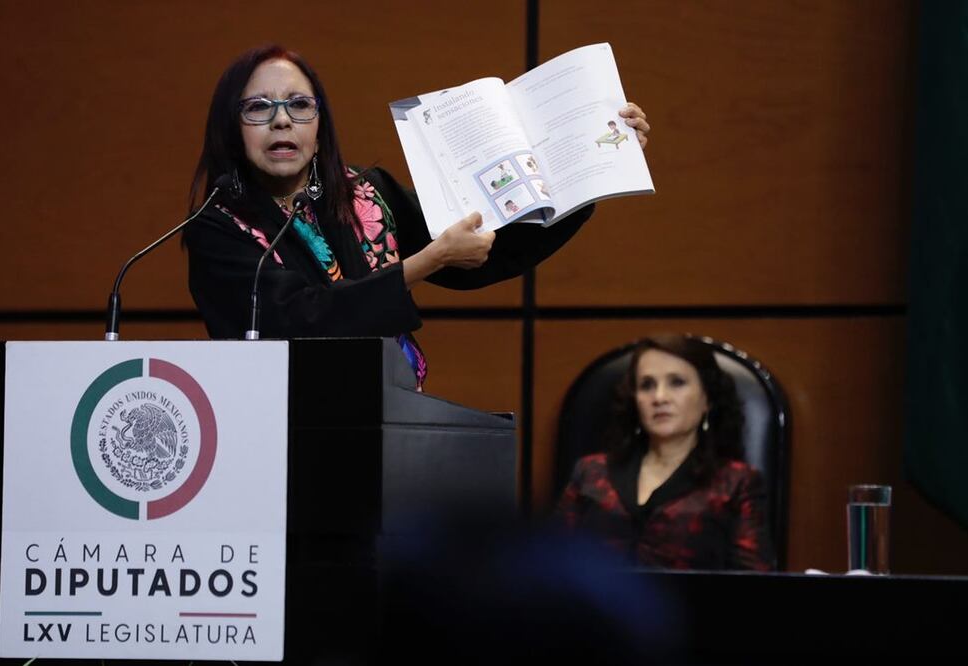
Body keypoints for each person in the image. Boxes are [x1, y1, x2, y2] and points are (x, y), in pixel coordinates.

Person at [183, 45, 651, 388]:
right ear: (232, 127)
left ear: (320, 127)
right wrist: (424, 262)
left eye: (299, 105)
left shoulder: (365, 192)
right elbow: (297, 321)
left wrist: (590, 173)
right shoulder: (218, 225)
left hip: (389, 412)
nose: (281, 120)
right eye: (259, 107)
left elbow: (482, 251)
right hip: (284, 433)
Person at [556, 335, 774, 570]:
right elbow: (549, 562)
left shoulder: (736, 483)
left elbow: (755, 588)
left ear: (707, 399)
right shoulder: (590, 472)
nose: (659, 398)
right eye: (647, 385)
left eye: (677, 382)